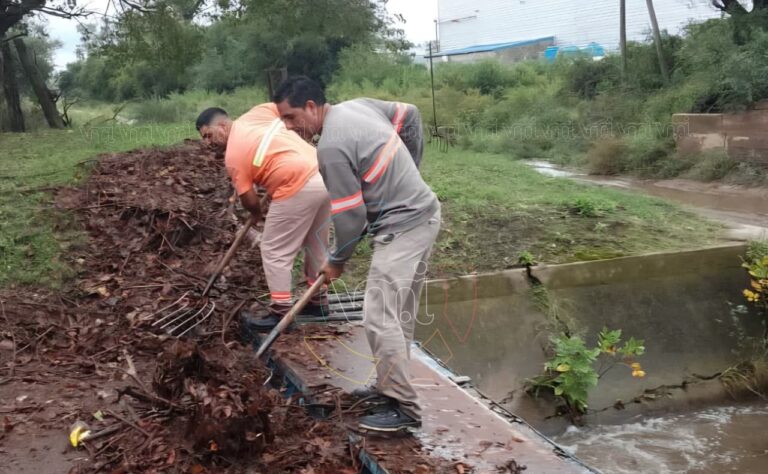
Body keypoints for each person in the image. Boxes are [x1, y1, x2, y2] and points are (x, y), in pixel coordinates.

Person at [273, 77, 441, 432]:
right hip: (425, 212)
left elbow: (350, 218)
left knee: (378, 315)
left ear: (310, 107)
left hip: (404, 225)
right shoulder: (356, 105)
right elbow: (409, 115)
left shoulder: (330, 148)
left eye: (290, 118)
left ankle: (404, 409)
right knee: (398, 314)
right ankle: (390, 388)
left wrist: (336, 261)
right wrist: (409, 174)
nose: (289, 127)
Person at [195, 104, 331, 329]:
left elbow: (248, 199)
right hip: (323, 174)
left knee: (273, 249)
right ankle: (318, 302)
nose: (208, 143)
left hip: (296, 184)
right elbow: (287, 111)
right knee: (315, 242)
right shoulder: (259, 112)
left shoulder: (233, 157)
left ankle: (281, 313)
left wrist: (256, 214)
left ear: (222, 125)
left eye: (208, 136)